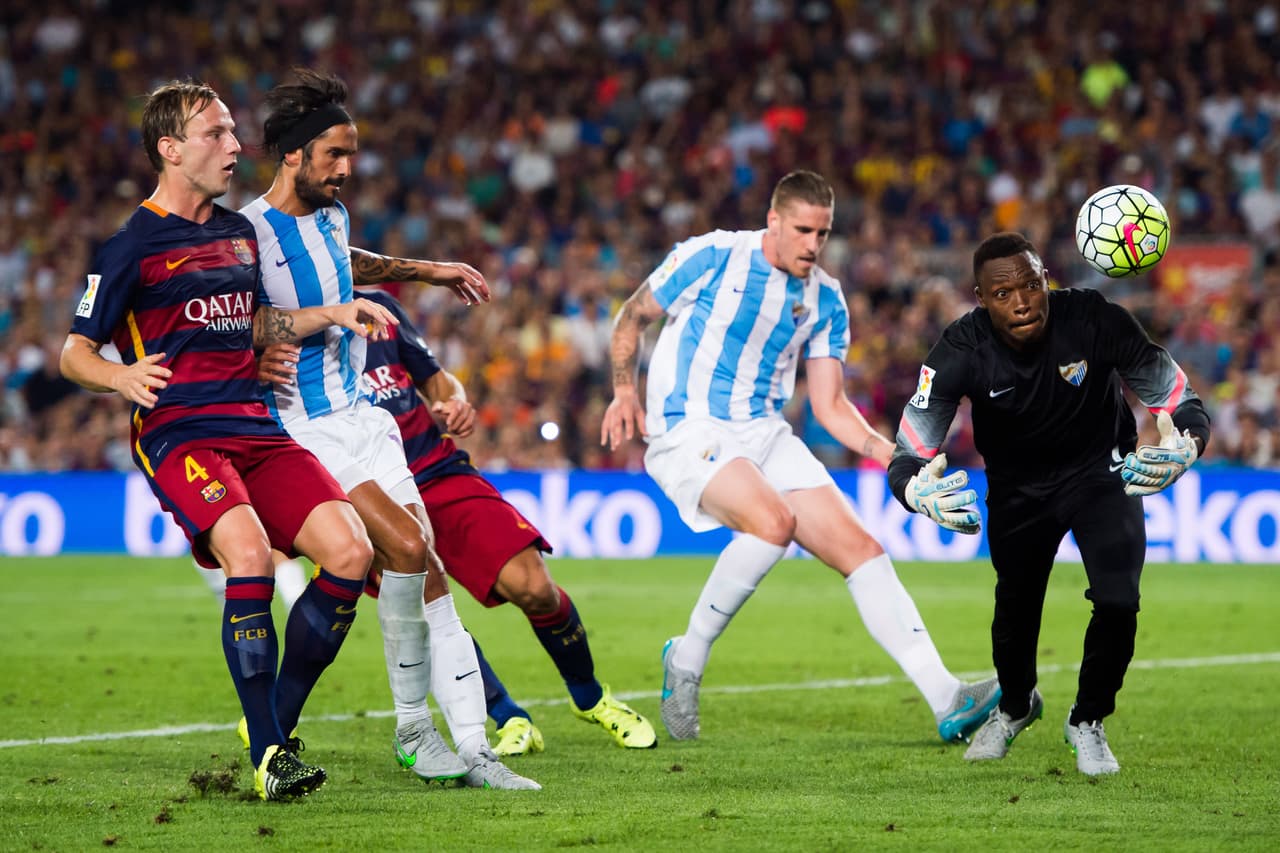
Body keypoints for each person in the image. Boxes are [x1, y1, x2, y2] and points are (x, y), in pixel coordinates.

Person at [59, 80, 396, 801]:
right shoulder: (131, 246)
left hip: (255, 425)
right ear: (170, 149)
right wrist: (119, 379)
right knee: (249, 555)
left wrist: (329, 313)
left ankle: (273, 718)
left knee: (350, 552)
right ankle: (272, 756)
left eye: (234, 132)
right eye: (216, 135)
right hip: (182, 432)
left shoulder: (238, 234)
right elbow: (73, 352)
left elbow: (255, 323)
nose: (236, 147)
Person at [599, 169, 1000, 743]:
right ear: (774, 222)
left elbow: (832, 406)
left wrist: (900, 461)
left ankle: (946, 698)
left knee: (861, 550)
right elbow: (634, 314)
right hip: (689, 427)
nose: (813, 245)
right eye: (804, 230)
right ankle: (686, 660)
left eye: (824, 233)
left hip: (765, 434)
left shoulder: (826, 300)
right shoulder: (713, 255)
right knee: (773, 524)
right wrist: (623, 389)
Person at [240, 68, 537, 790]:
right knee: (403, 546)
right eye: (334, 155)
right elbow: (237, 319)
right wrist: (281, 335)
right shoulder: (246, 232)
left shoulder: (332, 217)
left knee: (428, 567)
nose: (347, 169)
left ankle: (474, 747)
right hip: (305, 429)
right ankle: (412, 729)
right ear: (292, 154)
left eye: (352, 154)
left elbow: (344, 262)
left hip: (365, 421)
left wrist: (428, 271)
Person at [887, 232, 1210, 775]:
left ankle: (1088, 719)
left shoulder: (1094, 319)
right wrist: (914, 492)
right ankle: (1014, 707)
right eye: (1003, 292)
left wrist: (1189, 446)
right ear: (981, 298)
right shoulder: (958, 351)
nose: (1022, 301)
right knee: (1015, 608)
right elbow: (908, 453)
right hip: (1018, 492)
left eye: (1031, 284)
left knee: (1118, 601)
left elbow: (1182, 400)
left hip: (1102, 475)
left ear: (1045, 281)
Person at [306, 284, 655, 753]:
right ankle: (508, 716)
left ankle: (592, 698)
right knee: (426, 612)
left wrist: (453, 400)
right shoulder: (288, 322)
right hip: (367, 491)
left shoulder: (379, 308)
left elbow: (435, 376)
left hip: (434, 469)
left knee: (533, 585)